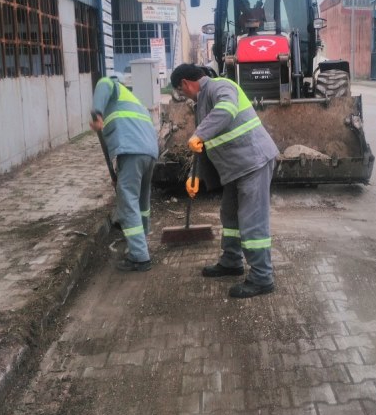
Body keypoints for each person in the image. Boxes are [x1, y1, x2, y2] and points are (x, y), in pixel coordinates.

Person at [170, 64, 279, 298]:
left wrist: (198, 133)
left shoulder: (221, 86)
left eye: (182, 91)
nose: (184, 95)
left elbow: (226, 110)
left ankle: (262, 277)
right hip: (235, 169)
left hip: (253, 162)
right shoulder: (202, 103)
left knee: (251, 221)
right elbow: (205, 146)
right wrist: (194, 178)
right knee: (229, 216)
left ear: (186, 84)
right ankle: (231, 261)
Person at [90, 76, 158, 272]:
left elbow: (103, 83)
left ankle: (139, 256)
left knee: (127, 201)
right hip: (149, 152)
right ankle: (141, 241)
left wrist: (97, 112)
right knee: (142, 202)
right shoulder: (132, 100)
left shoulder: (110, 85)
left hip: (130, 150)